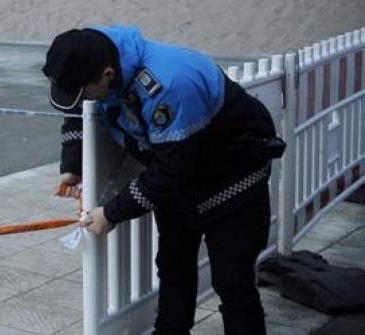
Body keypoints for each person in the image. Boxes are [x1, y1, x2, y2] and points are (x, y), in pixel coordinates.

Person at [43, 26, 285, 334]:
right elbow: (81, 112)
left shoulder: (170, 84)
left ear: (106, 75)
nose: (84, 99)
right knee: (173, 269)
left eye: (86, 91)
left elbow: (171, 171)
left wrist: (111, 213)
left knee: (232, 280)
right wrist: (72, 166)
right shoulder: (94, 55)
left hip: (234, 176)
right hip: (181, 175)